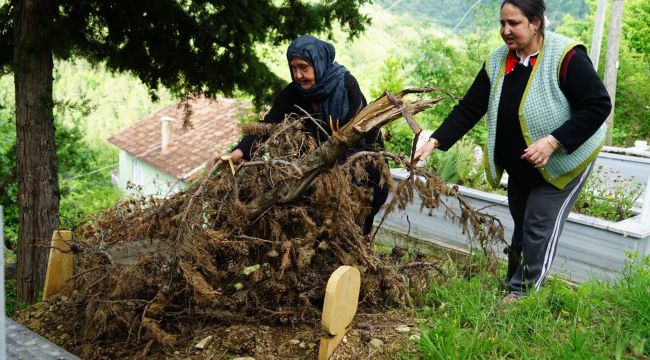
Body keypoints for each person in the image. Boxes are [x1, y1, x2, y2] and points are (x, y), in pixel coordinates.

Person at [413, 0, 611, 301]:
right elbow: (470, 108)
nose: (506, 30)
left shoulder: (566, 56)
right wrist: (435, 141)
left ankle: (522, 295)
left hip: (564, 161)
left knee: (538, 224)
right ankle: (512, 284)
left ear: (535, 23)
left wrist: (553, 141)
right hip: (522, 165)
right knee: (522, 226)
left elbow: (598, 105)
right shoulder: (497, 61)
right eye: (502, 23)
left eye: (514, 23)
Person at [224, 34, 388, 235]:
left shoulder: (345, 85)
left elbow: (356, 138)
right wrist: (240, 151)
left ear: (318, 63)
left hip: (363, 171)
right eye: (294, 68)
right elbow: (269, 123)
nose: (298, 75)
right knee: (320, 234)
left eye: (303, 67)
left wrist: (332, 176)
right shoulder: (294, 93)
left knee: (351, 233)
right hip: (322, 172)